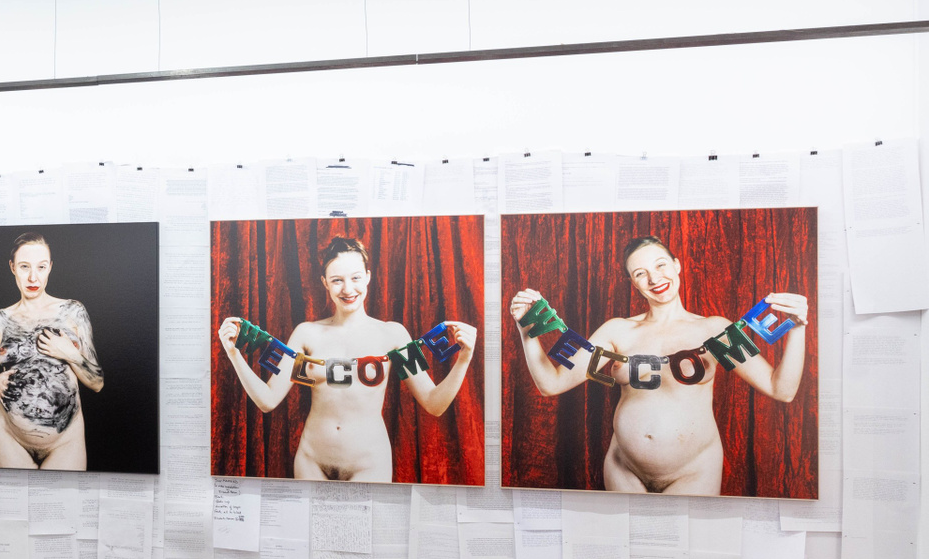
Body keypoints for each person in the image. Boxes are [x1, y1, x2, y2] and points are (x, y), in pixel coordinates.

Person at [511, 235, 807, 495]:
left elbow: (781, 390)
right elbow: (551, 384)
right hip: (624, 469)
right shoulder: (617, 331)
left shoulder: (714, 329)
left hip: (695, 471)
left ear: (677, 265)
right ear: (633, 282)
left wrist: (797, 327)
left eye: (661, 265)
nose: (654, 279)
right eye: (641, 273)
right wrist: (527, 331)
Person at [217, 235, 476, 482]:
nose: (348, 289)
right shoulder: (306, 333)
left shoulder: (392, 334)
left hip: (369, 463)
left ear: (368, 277)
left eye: (355, 278)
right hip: (311, 461)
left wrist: (464, 357)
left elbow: (434, 403)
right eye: (337, 280)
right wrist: (233, 353)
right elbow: (267, 400)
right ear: (325, 283)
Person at [0, 233, 104, 469]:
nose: (33, 277)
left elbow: (97, 383)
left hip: (66, 441)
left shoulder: (73, 312)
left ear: (50, 267)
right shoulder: (0, 320)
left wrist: (69, 353)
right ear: (13, 267)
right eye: (25, 267)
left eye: (41, 267)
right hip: (9, 438)